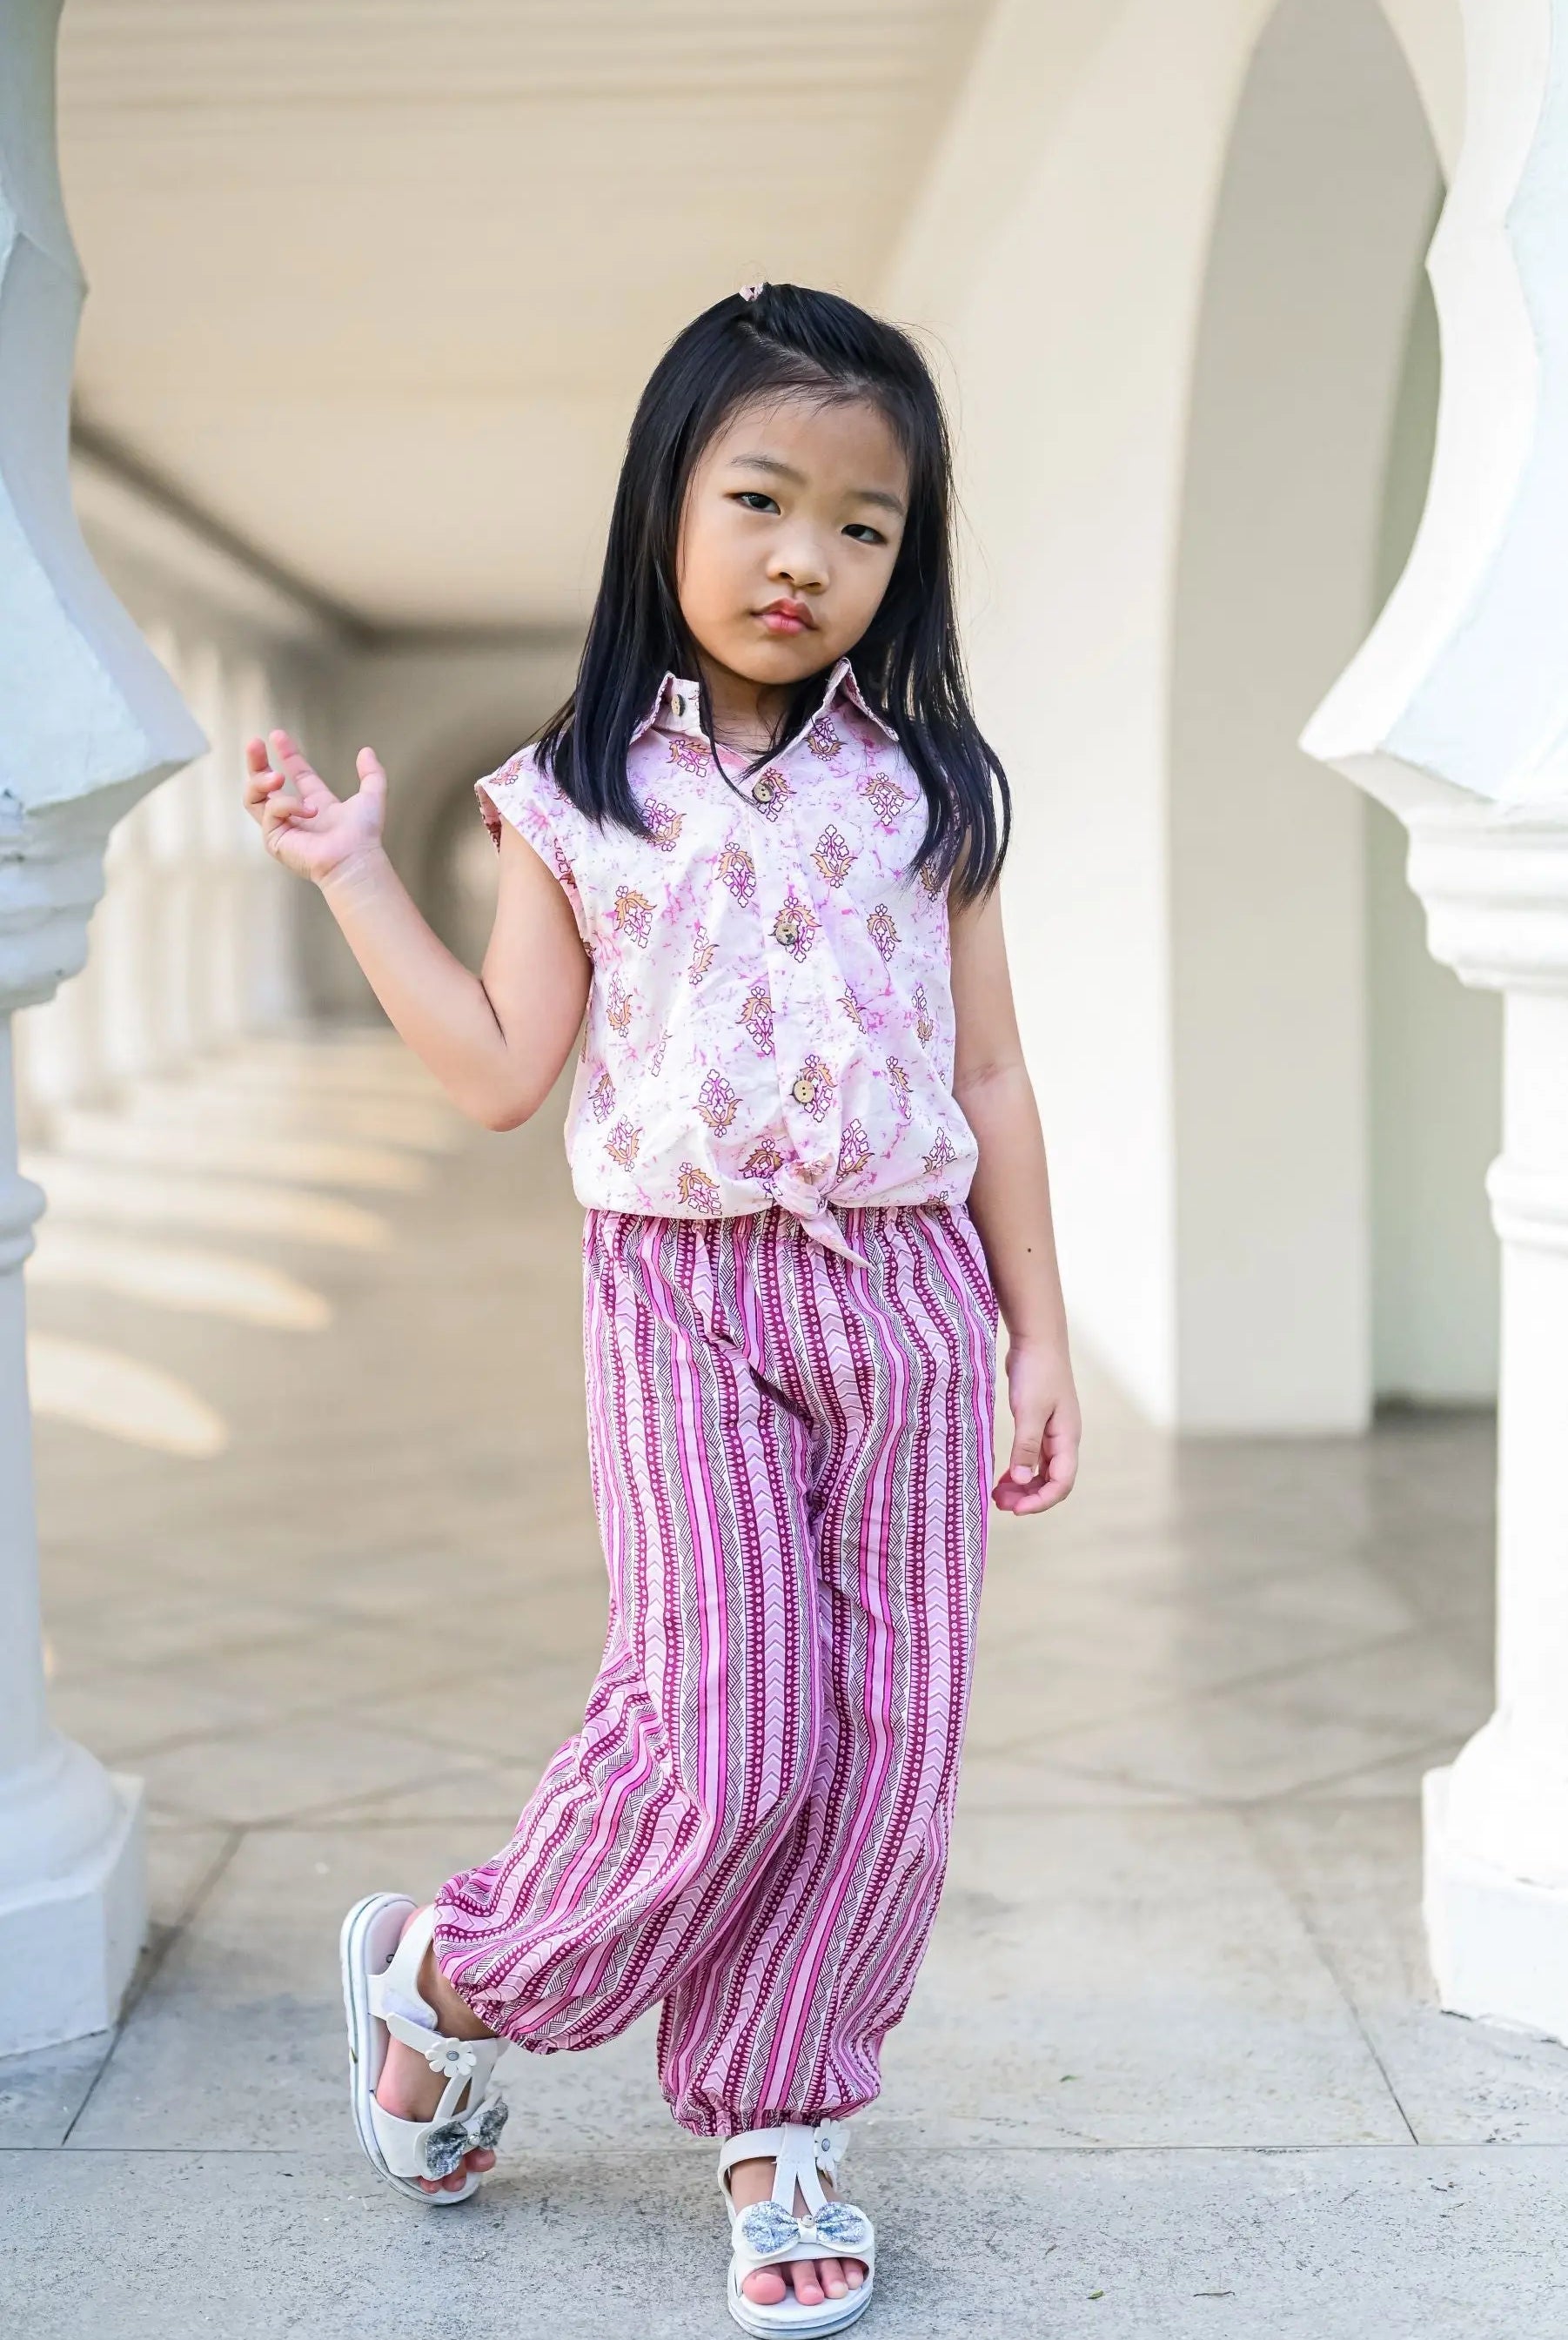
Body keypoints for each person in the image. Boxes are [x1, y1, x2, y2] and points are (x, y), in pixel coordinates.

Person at [244, 281, 1079, 2337]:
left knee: (890, 1745)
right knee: (730, 1729)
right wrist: (362, 873)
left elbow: (986, 1075)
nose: (809, 557)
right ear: (665, 509)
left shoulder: (933, 791)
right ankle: (457, 1971)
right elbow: (500, 1069)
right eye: (763, 498)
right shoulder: (574, 794)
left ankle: (783, 2116)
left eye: (866, 525)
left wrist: (1037, 1327)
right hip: (681, 1295)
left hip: (905, 1290)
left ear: (910, 555)